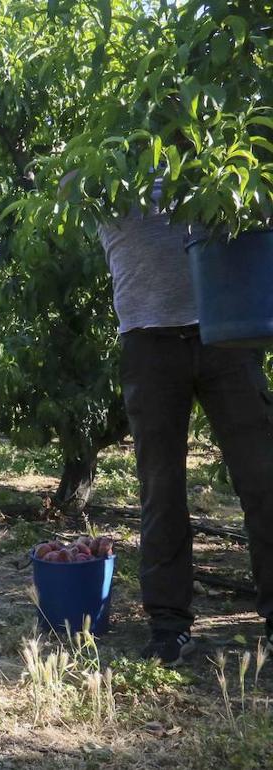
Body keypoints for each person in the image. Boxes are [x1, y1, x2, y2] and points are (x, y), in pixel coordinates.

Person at [97, 177, 273, 665]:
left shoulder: (213, 160)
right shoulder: (101, 171)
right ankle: (169, 625)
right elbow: (69, 184)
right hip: (148, 341)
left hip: (227, 332)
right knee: (161, 487)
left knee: (263, 478)